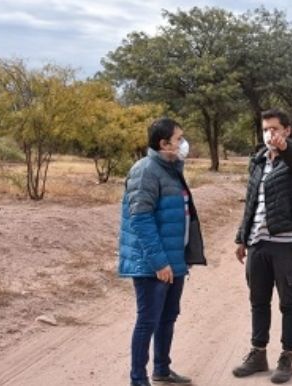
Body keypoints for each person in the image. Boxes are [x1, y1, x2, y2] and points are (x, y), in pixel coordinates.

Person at [232, 109, 292, 384]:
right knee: (258, 301)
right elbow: (251, 201)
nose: (270, 134)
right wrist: (242, 237)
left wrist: (285, 147)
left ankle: (286, 358)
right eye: (265, 129)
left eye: (275, 129)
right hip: (258, 243)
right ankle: (258, 353)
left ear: (287, 130)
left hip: (287, 245)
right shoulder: (258, 161)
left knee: (288, 303)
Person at [118, 118, 196, 386]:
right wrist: (159, 262)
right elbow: (140, 219)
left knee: (168, 317)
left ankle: (162, 369)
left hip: (173, 259)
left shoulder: (171, 168)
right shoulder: (146, 170)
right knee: (148, 320)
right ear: (164, 143)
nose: (183, 144)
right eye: (179, 139)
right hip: (153, 263)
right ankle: (138, 380)